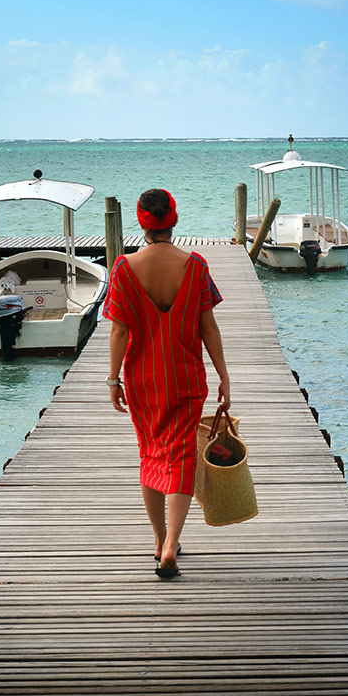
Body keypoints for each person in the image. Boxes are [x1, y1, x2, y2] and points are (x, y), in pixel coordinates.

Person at [103, 188, 231, 578]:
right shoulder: (195, 266)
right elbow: (208, 327)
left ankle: (159, 541)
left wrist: (113, 379)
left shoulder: (123, 269)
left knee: (150, 454)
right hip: (185, 377)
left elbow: (118, 333)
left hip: (143, 379)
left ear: (142, 222)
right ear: (173, 220)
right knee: (181, 457)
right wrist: (225, 377)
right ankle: (173, 543)